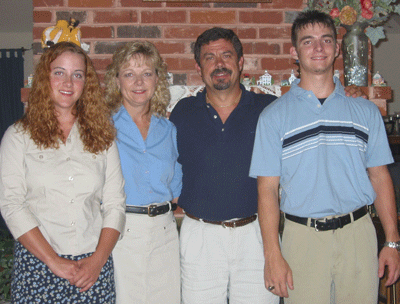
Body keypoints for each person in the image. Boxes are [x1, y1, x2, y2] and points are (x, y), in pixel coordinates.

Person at [250, 10, 400, 304]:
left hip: (359, 236)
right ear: (294, 52)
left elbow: (380, 178)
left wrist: (393, 241)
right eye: (308, 41)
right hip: (302, 238)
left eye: (326, 40)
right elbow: (267, 190)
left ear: (336, 48)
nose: (318, 48)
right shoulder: (273, 117)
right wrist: (272, 254)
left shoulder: (365, 111)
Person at [0, 41, 126, 303]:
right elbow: (12, 205)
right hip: (39, 266)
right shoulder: (18, 137)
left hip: (92, 270)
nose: (68, 82)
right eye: (59, 72)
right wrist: (54, 261)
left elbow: (115, 204)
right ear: (45, 78)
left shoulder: (103, 137)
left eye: (77, 75)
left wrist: (98, 261)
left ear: (86, 83)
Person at [104, 41, 182, 304]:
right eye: (129, 74)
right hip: (122, 232)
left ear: (157, 79)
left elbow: (178, 185)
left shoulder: (168, 130)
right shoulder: (103, 128)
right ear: (117, 80)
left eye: (146, 73)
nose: (139, 82)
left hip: (165, 232)